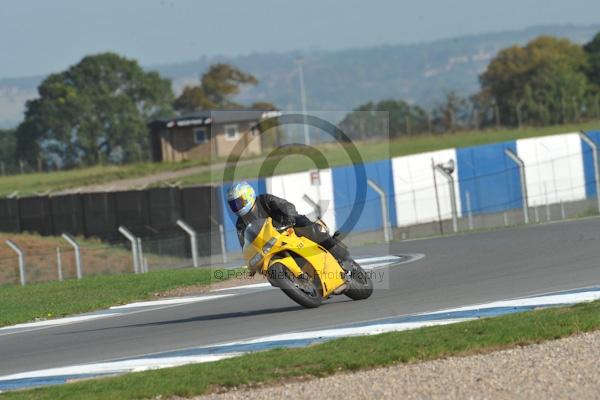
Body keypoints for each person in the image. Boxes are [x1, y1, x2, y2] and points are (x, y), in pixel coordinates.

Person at [227, 181, 351, 269]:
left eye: (239, 202)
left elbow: (286, 206)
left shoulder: (264, 200)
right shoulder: (241, 224)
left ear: (249, 195)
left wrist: (289, 219)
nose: (237, 207)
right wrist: (250, 256)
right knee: (269, 268)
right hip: (271, 244)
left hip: (288, 225)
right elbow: (245, 245)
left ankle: (333, 247)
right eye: (233, 205)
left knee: (307, 227)